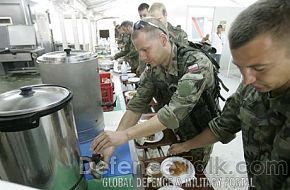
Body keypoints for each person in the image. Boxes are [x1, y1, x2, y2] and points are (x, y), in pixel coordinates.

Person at [168, 0, 290, 189]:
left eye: (259, 68)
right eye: (240, 68)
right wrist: (186, 146)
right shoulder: (251, 85)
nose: (247, 79)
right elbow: (223, 125)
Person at [91, 17, 220, 168]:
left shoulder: (196, 65)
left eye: (145, 49)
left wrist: (124, 135)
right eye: (139, 51)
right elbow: (137, 105)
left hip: (199, 135)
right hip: (175, 131)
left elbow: (171, 114)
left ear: (163, 40)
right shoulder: (154, 67)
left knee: (194, 173)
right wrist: (113, 142)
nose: (142, 57)